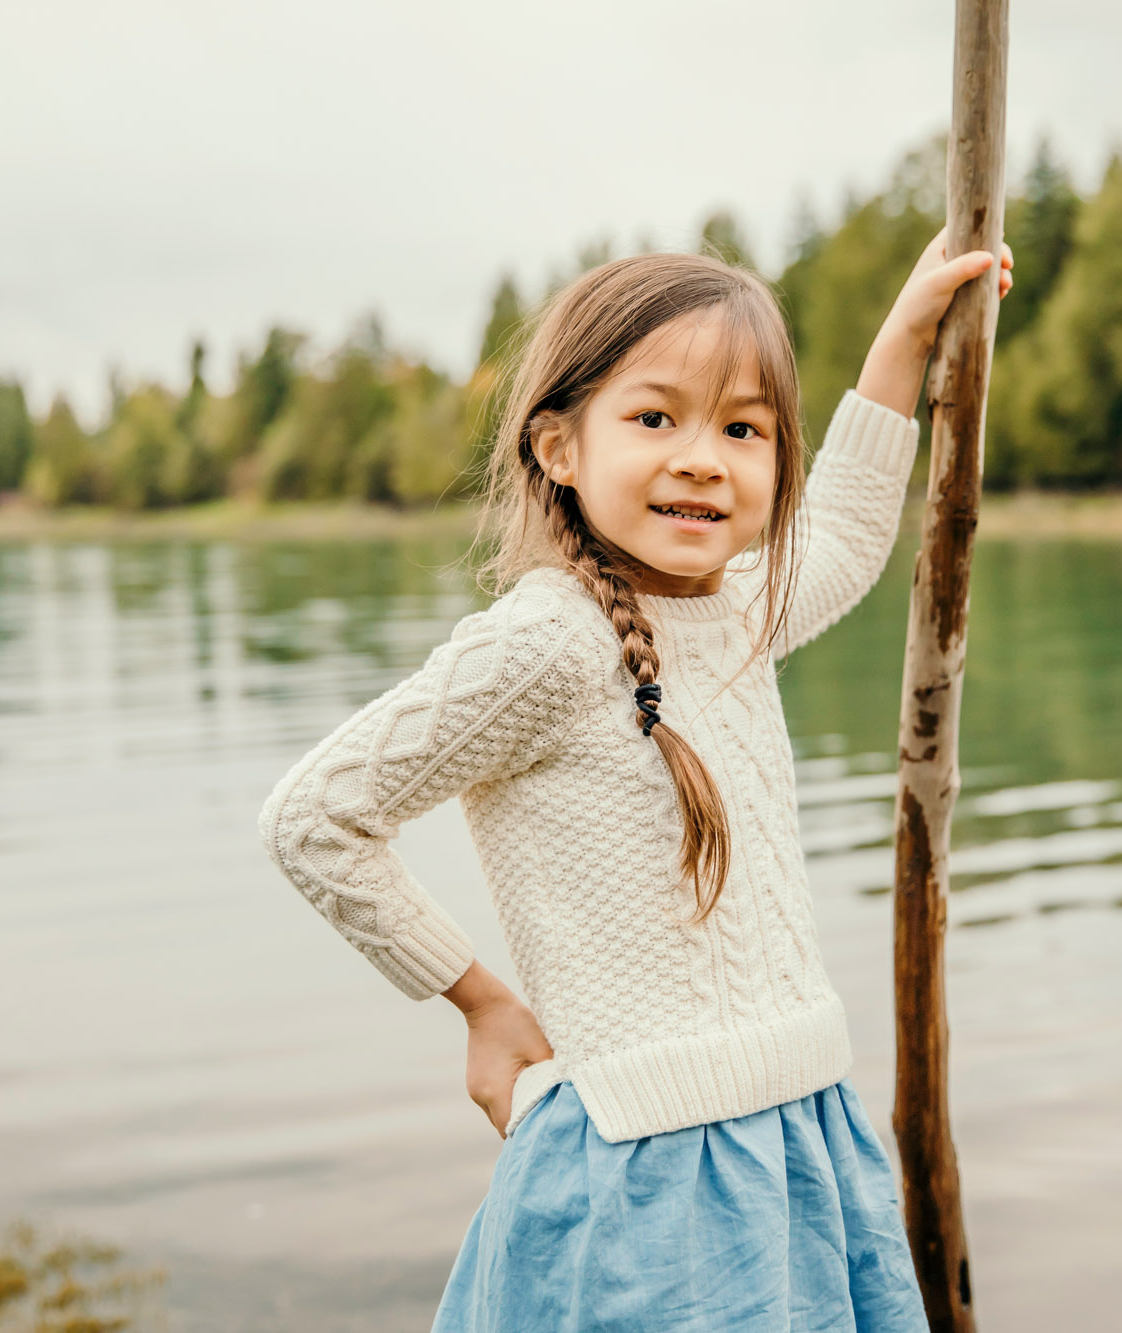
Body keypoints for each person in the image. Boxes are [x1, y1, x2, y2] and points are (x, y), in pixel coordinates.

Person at [259, 233, 1013, 1331]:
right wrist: (478, 1001)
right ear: (558, 447)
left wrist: (903, 336)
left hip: (803, 1140)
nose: (704, 458)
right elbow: (312, 819)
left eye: (744, 429)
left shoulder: (739, 610)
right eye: (655, 418)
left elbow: (847, 530)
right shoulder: (543, 642)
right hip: (646, 1181)